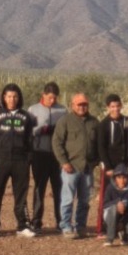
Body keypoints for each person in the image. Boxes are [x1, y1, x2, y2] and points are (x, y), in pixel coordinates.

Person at [0, 83, 35, 238]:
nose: (12, 99)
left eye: (14, 96)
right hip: (1, 160)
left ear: (19, 97)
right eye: (8, 96)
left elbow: (30, 140)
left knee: (21, 194)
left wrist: (28, 159)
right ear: (4, 98)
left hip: (20, 161)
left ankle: (23, 225)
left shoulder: (26, 116)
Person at [52, 92, 99, 239]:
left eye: (85, 104)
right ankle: (66, 226)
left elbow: (99, 144)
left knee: (84, 200)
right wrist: (64, 162)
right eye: (79, 104)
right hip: (70, 167)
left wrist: (95, 162)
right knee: (67, 199)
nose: (82, 107)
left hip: (87, 168)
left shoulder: (94, 122)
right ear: (73, 105)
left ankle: (80, 226)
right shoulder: (65, 121)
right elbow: (57, 142)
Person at [27, 81, 66, 232]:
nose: (53, 100)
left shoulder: (62, 111)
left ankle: (61, 221)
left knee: (59, 189)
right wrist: (41, 130)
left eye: (55, 98)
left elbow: (66, 132)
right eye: (50, 97)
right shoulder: (33, 110)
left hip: (57, 156)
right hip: (39, 153)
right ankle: (36, 221)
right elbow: (28, 132)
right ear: (43, 95)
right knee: (39, 188)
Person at [97, 93, 128, 235]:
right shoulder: (103, 125)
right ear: (108, 108)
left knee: (124, 195)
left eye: (117, 106)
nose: (115, 109)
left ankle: (121, 225)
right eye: (112, 107)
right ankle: (105, 225)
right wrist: (108, 167)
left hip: (124, 166)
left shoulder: (126, 122)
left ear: (121, 106)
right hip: (110, 167)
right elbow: (101, 147)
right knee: (108, 196)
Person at [102, 164, 128, 246]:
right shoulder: (110, 188)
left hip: (124, 218)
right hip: (110, 217)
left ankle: (123, 235)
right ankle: (110, 238)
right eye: (119, 177)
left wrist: (123, 222)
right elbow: (105, 204)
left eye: (124, 177)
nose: (122, 180)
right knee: (114, 208)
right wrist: (117, 203)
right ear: (115, 179)